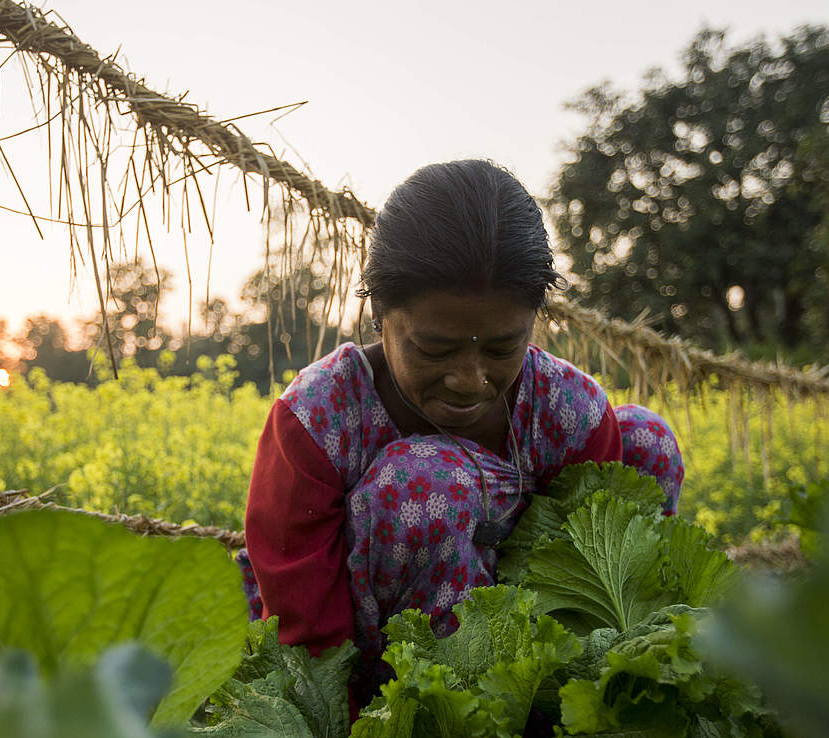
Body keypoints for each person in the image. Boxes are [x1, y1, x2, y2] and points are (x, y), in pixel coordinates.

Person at [240, 160, 683, 707]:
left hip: (527, 661)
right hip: (371, 681)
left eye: (501, 348)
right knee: (423, 485)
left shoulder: (569, 412)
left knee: (645, 441)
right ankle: (428, 726)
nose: (470, 379)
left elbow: (593, 574)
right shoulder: (317, 420)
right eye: (435, 349)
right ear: (379, 311)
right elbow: (307, 633)